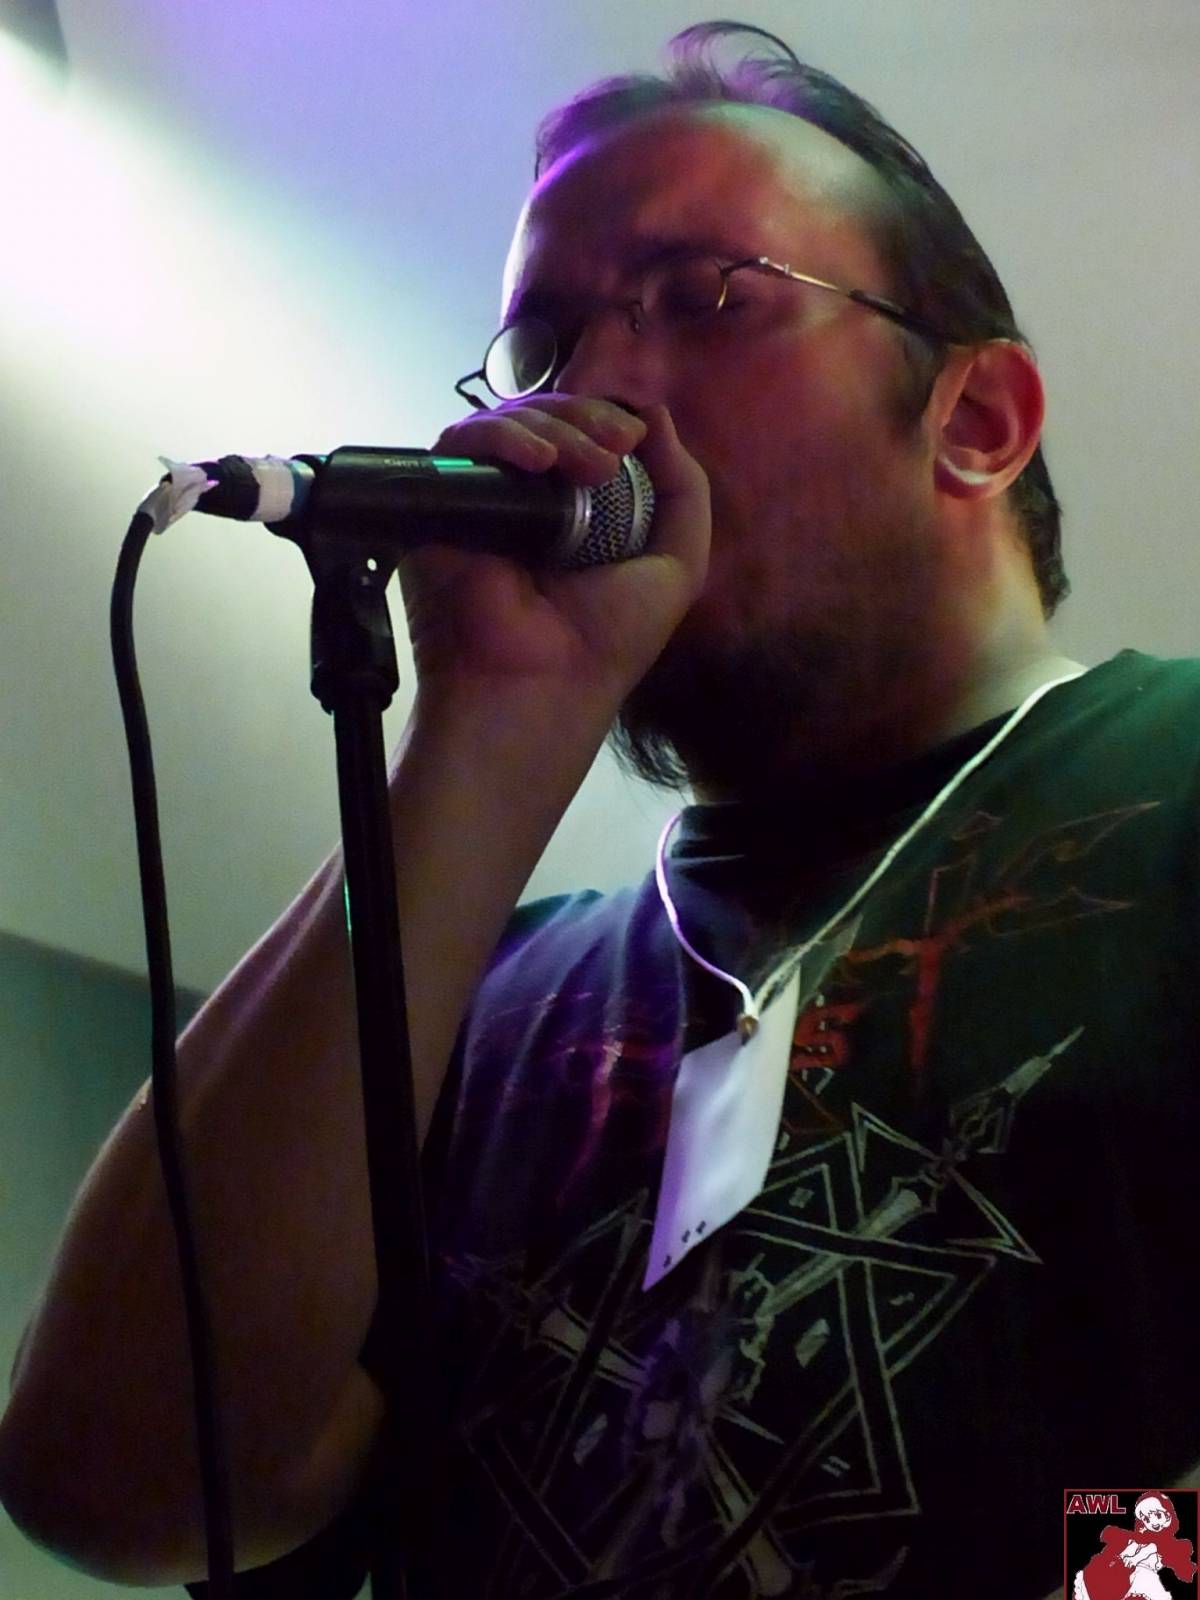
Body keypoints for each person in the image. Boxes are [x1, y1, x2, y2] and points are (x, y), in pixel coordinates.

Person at [1, 20, 1198, 1600]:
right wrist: (489, 725)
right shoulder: (464, 998)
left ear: (975, 422)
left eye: (707, 297)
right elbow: (119, 1481)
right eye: (547, 342)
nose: (596, 387)